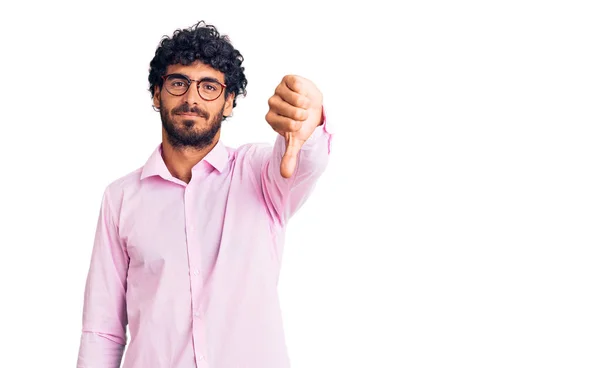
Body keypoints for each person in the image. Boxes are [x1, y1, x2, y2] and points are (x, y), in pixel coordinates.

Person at [76, 21, 333, 368]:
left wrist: (311, 122)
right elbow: (102, 330)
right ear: (157, 93)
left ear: (229, 102)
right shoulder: (120, 198)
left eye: (209, 86)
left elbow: (303, 162)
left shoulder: (259, 174)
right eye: (178, 82)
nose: (192, 98)